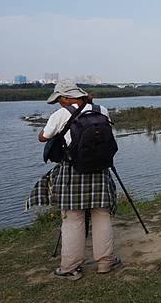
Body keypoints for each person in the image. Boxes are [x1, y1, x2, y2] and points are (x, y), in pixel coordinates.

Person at [26, 81, 121, 280]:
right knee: (101, 214)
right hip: (100, 169)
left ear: (68, 97)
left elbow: (43, 137)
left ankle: (70, 266)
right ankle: (105, 262)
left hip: (73, 170)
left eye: (60, 99)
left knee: (73, 218)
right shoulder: (101, 109)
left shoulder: (60, 114)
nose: (60, 104)